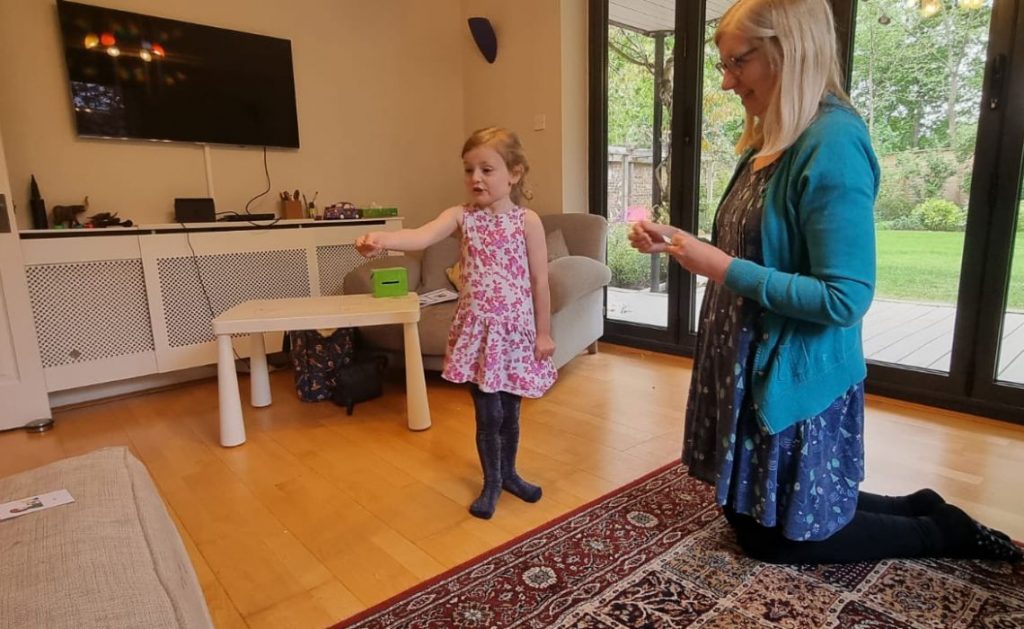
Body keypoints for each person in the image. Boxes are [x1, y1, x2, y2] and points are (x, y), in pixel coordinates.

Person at [630, 0, 1021, 564]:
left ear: (789, 50)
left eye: (737, 63)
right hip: (748, 365)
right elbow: (750, 247)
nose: (725, 82)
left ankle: (945, 533)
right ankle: (920, 505)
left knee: (772, 540)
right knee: (749, 513)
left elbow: (845, 298)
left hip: (788, 370)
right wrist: (681, 242)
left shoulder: (832, 141)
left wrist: (718, 266)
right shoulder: (776, 136)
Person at [355, 127, 556, 520]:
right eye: (469, 170)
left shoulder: (526, 221)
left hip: (514, 333)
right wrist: (380, 239)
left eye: (486, 169)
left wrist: (544, 332)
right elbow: (420, 235)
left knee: (510, 412)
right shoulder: (461, 217)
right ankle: (492, 481)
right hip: (477, 332)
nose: (475, 178)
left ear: (514, 173)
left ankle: (511, 474)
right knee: (488, 413)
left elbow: (539, 280)